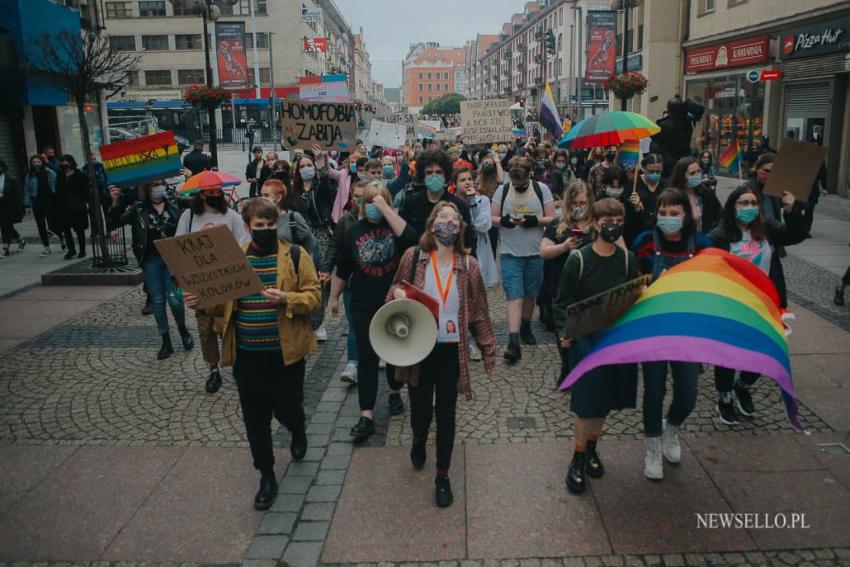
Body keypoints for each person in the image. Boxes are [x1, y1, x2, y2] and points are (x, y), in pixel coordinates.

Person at [185, 198, 321, 511]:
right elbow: (219, 304)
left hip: (286, 353)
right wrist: (199, 301)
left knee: (288, 407)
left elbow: (313, 297)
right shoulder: (234, 262)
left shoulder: (296, 256)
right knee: (255, 418)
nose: (266, 231)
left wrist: (286, 298)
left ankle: (297, 428)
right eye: (259, 226)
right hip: (247, 355)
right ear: (247, 228)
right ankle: (266, 475)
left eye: (271, 226)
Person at [388, 201, 496, 507]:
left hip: (451, 349)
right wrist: (399, 293)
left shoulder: (469, 266)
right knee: (421, 411)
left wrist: (488, 349)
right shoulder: (413, 257)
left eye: (454, 219)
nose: (448, 222)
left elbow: (479, 313)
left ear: (461, 228)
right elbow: (395, 287)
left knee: (446, 414)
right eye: (442, 217)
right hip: (419, 347)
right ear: (431, 224)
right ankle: (419, 438)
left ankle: (442, 474)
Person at [553, 198, 639, 494]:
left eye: (617, 218)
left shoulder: (627, 259)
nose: (612, 224)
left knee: (605, 401)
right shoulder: (579, 260)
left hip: (614, 340)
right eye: (606, 219)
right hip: (586, 340)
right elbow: (562, 302)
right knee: (586, 402)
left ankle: (592, 449)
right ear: (594, 223)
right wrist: (565, 332)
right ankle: (577, 458)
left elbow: (632, 299)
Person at [709, 184, 805, 424]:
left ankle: (743, 386)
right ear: (733, 207)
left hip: (764, 304)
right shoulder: (718, 237)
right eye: (743, 203)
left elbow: (796, 235)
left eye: (753, 203)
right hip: (731, 306)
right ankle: (725, 396)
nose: (749, 208)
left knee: (763, 353)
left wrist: (792, 210)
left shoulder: (768, 230)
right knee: (728, 356)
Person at [633, 189, 712, 480]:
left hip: (686, 332)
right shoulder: (644, 243)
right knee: (654, 390)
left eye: (674, 213)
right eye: (663, 213)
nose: (668, 218)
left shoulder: (701, 245)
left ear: (685, 215)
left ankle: (671, 429)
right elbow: (633, 279)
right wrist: (645, 289)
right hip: (653, 331)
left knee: (688, 393)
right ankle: (652, 446)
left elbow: (712, 284)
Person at [330, 181, 418, 442]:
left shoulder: (395, 226)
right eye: (369, 202)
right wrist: (334, 296)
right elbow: (344, 267)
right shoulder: (353, 231)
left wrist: (387, 211)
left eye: (378, 202)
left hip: (392, 303)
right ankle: (366, 413)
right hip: (363, 304)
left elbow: (413, 241)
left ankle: (394, 392)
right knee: (367, 356)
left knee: (393, 352)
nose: (373, 208)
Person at [176, 184, 250, 393]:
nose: (217, 195)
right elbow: (179, 246)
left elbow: (243, 243)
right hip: (200, 283)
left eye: (219, 191)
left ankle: (236, 364)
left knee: (229, 325)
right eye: (212, 192)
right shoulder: (188, 217)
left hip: (227, 281)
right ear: (201, 194)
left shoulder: (233, 216)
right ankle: (213, 370)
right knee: (205, 330)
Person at [108, 181, 194, 358]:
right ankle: (166, 341)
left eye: (160, 184)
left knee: (175, 299)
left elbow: (197, 203)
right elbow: (116, 221)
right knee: (158, 301)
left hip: (173, 258)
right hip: (151, 260)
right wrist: (115, 202)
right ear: (146, 188)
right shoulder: (138, 208)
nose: (158, 188)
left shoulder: (173, 202)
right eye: (154, 185)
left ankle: (183, 329)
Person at [491, 155, 556, 363]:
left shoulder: (541, 190)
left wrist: (535, 221)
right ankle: (513, 340)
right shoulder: (502, 191)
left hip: (535, 252)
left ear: (530, 175)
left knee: (530, 293)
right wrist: (504, 221)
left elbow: (552, 218)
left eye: (522, 182)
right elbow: (492, 218)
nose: (518, 186)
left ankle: (526, 324)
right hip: (510, 252)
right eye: (515, 182)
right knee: (514, 295)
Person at [540, 182, 593, 387]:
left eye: (583, 203)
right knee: (564, 334)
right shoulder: (557, 224)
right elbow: (543, 252)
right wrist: (564, 246)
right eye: (575, 203)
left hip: (589, 289)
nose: (579, 206)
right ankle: (567, 367)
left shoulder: (597, 224)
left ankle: (584, 368)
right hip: (561, 289)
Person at [328, 180, 368, 385]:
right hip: (352, 282)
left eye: (364, 196)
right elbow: (336, 248)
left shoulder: (381, 221)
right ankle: (352, 362)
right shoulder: (346, 221)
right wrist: (328, 271)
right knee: (354, 324)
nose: (359, 200)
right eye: (356, 196)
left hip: (374, 283)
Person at [295, 149, 338, 341]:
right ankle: (304, 319)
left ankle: (318, 322)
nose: (306, 169)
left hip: (321, 235)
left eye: (308, 165)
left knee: (322, 279)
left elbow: (330, 186)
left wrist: (321, 161)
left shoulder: (322, 185)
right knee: (303, 279)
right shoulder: (293, 191)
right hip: (301, 239)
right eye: (302, 166)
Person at [399, 149, 474, 250]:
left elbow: (468, 242)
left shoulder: (459, 206)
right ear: (423, 176)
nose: (434, 176)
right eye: (429, 172)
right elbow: (402, 238)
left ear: (446, 175)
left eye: (438, 172)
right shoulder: (411, 202)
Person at [259, 179, 317, 261]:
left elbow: (311, 242)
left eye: (266, 195)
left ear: (279, 198)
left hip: (290, 268)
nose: (262, 199)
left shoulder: (293, 218)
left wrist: (318, 267)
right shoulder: (258, 220)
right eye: (261, 195)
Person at [651, 95, 705, 178]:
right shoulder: (687, 125)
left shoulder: (664, 125)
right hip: (682, 163)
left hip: (667, 165)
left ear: (669, 109)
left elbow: (654, 142)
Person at [669, 156, 722, 234]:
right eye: (692, 173)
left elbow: (720, 216)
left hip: (705, 240)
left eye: (698, 171)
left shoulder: (707, 193)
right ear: (681, 175)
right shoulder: (672, 196)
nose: (697, 175)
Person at [23, 154, 59, 256]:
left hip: (49, 201)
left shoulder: (50, 173)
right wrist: (27, 205)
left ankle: (61, 237)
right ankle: (46, 247)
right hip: (37, 202)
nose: (36, 164)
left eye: (38, 162)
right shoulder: (29, 175)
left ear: (42, 162)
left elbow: (56, 187)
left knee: (52, 224)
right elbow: (27, 191)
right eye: (33, 162)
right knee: (41, 226)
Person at [55, 154, 89, 260]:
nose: (62, 163)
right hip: (64, 206)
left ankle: (82, 250)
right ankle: (71, 249)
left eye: (64, 161)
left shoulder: (79, 174)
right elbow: (58, 190)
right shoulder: (60, 175)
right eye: (61, 162)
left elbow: (85, 188)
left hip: (77, 206)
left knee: (79, 229)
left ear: (70, 162)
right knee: (66, 229)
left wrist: (82, 199)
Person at [0, 160, 25, 257]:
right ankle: (20, 240)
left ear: (3, 167)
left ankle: (6, 247)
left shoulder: (11, 179)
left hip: (9, 207)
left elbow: (18, 194)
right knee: (6, 226)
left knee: (5, 226)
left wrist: (21, 208)